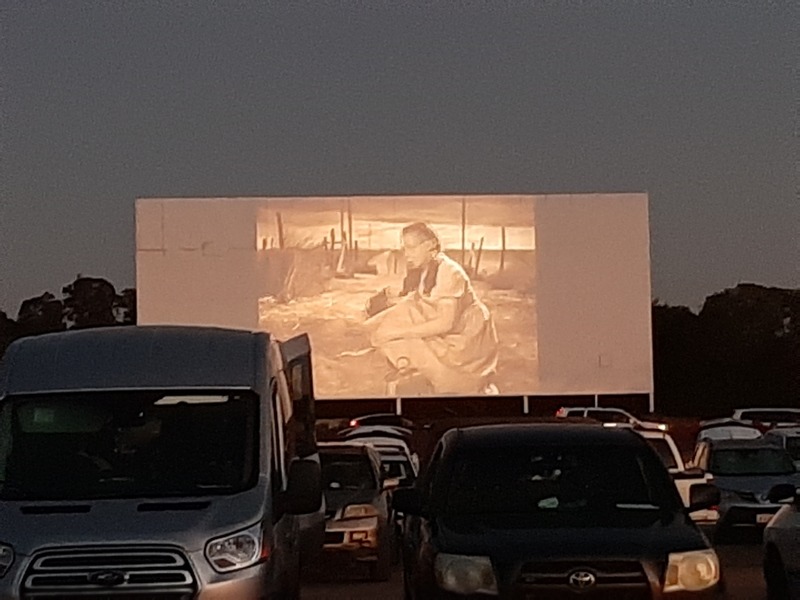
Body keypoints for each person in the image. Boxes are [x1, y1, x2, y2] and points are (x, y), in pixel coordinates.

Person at [365, 222, 499, 395]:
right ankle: (406, 365)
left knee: (395, 333)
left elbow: (445, 324)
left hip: (465, 338)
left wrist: (396, 332)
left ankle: (415, 369)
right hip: (445, 323)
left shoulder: (450, 273)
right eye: (404, 249)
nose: (406, 254)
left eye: (411, 248)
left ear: (430, 245)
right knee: (393, 318)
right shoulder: (426, 268)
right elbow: (418, 301)